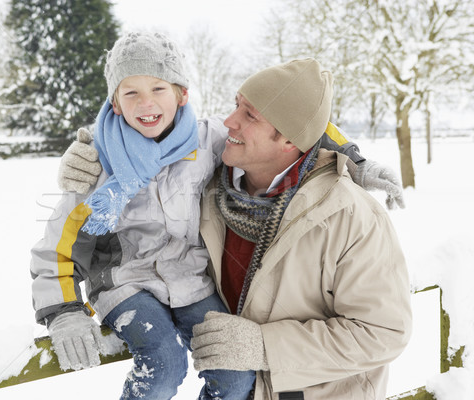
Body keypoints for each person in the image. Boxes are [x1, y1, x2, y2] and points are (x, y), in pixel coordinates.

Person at [30, 31, 255, 400]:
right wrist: (64, 311)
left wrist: (352, 158)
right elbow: (57, 243)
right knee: (164, 364)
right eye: (130, 92)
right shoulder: (98, 161)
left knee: (234, 371)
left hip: (192, 280)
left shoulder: (210, 140)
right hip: (124, 282)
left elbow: (287, 122)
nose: (145, 103)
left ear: (182, 94)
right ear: (115, 103)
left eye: (158, 89)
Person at [188, 59, 412, 399]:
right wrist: (92, 160)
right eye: (236, 105)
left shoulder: (349, 215)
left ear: (289, 139)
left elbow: (382, 331)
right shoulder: (206, 191)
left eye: (250, 115)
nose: (229, 121)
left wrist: (265, 347)